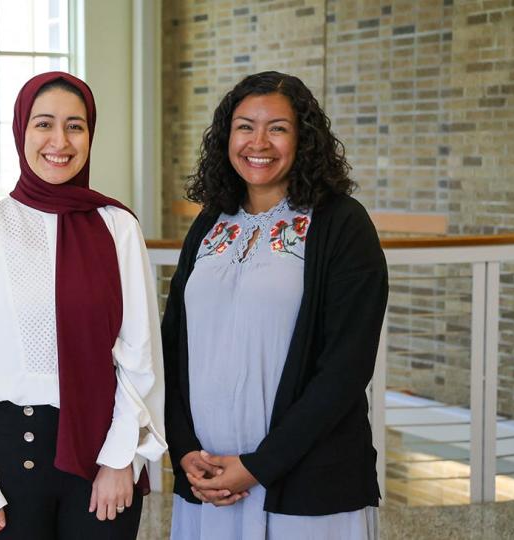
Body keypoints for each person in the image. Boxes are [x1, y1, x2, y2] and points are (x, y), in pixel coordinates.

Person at [0, 71, 167, 539]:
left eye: (75, 126)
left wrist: (121, 458)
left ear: (90, 134)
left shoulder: (118, 227)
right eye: (43, 124)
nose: (59, 141)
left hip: (101, 452)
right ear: (21, 130)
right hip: (7, 458)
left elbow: (140, 354)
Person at [162, 71, 388, 539]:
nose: (257, 142)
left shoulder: (342, 225)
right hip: (209, 477)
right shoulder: (209, 222)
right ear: (227, 136)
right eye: (245, 126)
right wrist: (183, 449)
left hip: (305, 483)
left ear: (304, 138)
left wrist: (260, 466)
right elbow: (172, 346)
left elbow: (346, 368)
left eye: (277, 128)